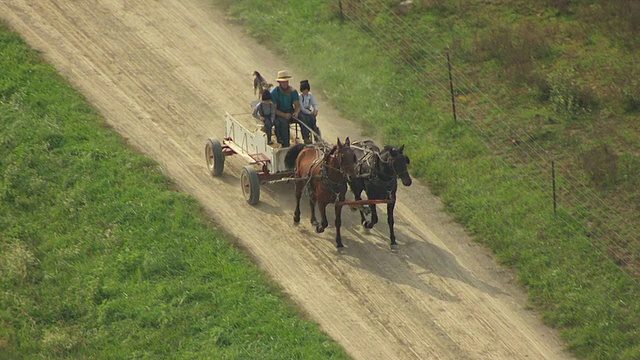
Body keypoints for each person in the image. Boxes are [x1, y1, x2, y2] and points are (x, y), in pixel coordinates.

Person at [270, 70, 300, 148]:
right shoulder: (274, 93)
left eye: (286, 81)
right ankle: (286, 144)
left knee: (304, 117)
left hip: (290, 111)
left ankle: (307, 138)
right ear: (279, 82)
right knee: (284, 123)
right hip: (279, 113)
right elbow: (274, 109)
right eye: (283, 82)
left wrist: (296, 112)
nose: (285, 84)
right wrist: (284, 115)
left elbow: (297, 105)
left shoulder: (293, 91)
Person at [298, 80, 319, 144]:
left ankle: (316, 135)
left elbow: (314, 103)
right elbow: (302, 108)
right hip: (301, 112)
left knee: (313, 120)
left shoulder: (310, 95)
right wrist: (310, 113)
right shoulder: (300, 96)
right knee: (304, 120)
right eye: (304, 90)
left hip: (308, 110)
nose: (306, 91)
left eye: (307, 90)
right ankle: (306, 137)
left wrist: (315, 110)